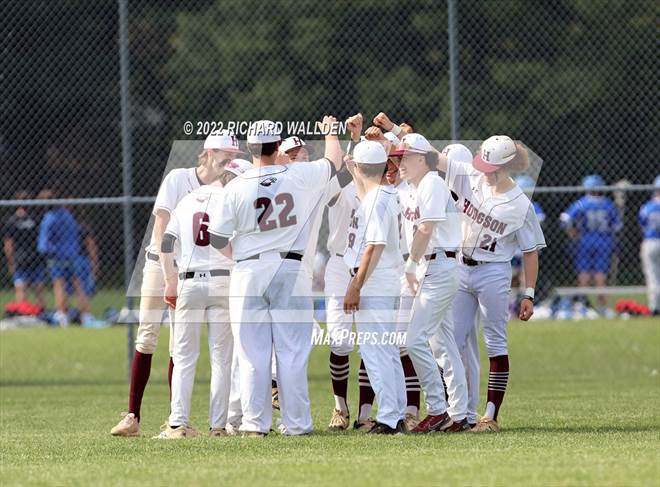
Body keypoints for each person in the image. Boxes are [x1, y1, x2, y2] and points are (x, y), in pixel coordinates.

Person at [209, 118, 342, 436]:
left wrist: (238, 254)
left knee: (251, 353)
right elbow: (333, 162)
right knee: (292, 350)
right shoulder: (297, 173)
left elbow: (216, 237)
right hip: (291, 268)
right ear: (277, 145)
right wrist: (330, 132)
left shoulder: (236, 186)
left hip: (249, 270)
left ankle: (255, 424)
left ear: (250, 148)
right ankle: (297, 424)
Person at [110, 129, 240, 437]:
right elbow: (161, 227)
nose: (230, 159)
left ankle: (175, 420)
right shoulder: (179, 177)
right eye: (226, 153)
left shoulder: (228, 187)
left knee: (178, 345)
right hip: (162, 262)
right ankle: (132, 416)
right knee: (147, 335)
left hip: (193, 272)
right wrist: (170, 278)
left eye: (234, 155)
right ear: (209, 152)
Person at [154, 158, 253, 439]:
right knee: (222, 359)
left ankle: (178, 423)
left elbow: (166, 241)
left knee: (184, 357)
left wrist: (170, 278)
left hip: (189, 281)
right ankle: (218, 427)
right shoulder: (233, 201)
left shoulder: (187, 200)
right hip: (223, 281)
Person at [394, 133, 468, 433]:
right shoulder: (414, 187)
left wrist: (410, 266)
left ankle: (437, 409)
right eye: (398, 157)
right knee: (443, 345)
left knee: (414, 340)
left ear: (424, 159)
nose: (400, 162)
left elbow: (426, 229)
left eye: (406, 157)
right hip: (432, 266)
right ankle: (459, 414)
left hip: (437, 265)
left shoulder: (432, 183)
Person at [342, 140, 406, 435]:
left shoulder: (375, 199)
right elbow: (366, 188)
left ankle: (390, 418)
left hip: (374, 280)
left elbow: (374, 245)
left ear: (358, 166)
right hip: (385, 278)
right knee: (387, 351)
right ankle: (397, 414)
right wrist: (354, 169)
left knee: (375, 351)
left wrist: (356, 285)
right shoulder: (385, 193)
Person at [560, 174, 621, 315]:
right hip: (603, 240)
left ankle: (582, 304)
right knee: (601, 274)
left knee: (584, 273)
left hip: (585, 240)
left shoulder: (581, 203)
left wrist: (572, 233)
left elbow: (565, 219)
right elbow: (616, 226)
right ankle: (601, 306)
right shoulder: (608, 204)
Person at [37, 188, 92, 326]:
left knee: (59, 284)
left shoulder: (49, 218)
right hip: (72, 255)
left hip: (57, 257)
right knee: (78, 284)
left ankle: (62, 315)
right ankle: (86, 315)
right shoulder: (68, 215)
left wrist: (48, 251)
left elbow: (43, 245)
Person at [3, 190, 47, 309]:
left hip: (21, 259)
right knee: (38, 290)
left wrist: (10, 262)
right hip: (35, 259)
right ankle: (41, 312)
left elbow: (8, 245)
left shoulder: (12, 221)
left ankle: (22, 313)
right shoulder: (35, 219)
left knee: (21, 289)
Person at [639, 175, 660, 315]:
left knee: (652, 275)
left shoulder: (648, 207)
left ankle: (655, 307)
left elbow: (643, 224)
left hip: (651, 241)